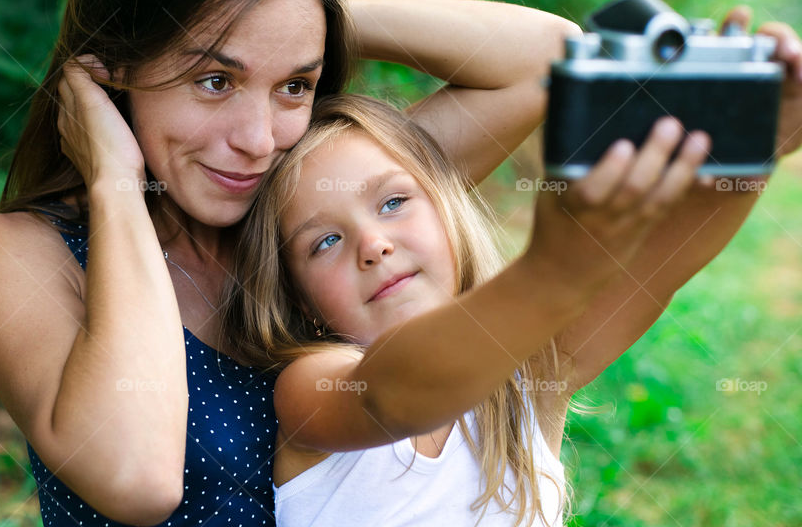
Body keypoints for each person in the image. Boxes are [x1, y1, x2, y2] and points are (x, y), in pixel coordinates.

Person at [0, 0, 582, 525]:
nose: (257, 141)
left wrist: (302, 13)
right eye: (215, 81)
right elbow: (134, 477)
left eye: (293, 86)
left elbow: (551, 58)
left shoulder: (314, 211)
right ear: (113, 64)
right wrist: (116, 183)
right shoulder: (18, 252)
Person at [223, 74, 802, 525]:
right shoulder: (312, 389)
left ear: (448, 206)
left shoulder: (531, 374)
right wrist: (552, 270)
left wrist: (761, 138)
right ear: (299, 302)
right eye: (325, 241)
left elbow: (660, 265)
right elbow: (392, 397)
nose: (372, 245)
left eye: (394, 202)